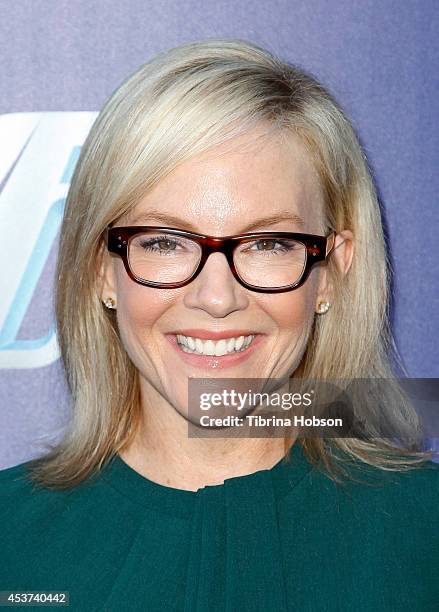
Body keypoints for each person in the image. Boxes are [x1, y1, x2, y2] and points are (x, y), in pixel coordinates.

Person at [1, 39, 438, 612]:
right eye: (163, 241)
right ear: (100, 270)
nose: (216, 297)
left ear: (330, 273)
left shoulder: (423, 533)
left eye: (268, 243)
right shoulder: (12, 539)